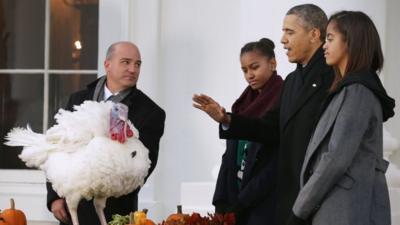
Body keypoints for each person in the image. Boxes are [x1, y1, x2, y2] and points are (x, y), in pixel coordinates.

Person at [193, 4, 334, 225]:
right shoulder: (293, 81)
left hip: (314, 196)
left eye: (290, 32)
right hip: (290, 199)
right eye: (283, 31)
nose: (282, 40)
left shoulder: (332, 77)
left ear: (314, 34)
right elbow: (269, 128)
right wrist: (226, 119)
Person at [291, 11, 395, 225]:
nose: (324, 46)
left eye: (330, 38)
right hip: (337, 207)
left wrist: (299, 210)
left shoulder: (358, 91)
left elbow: (336, 158)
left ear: (351, 42)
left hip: (345, 210)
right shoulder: (349, 89)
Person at [46, 41, 166, 225]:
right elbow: (57, 148)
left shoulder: (151, 112)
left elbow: (144, 167)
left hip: (116, 212)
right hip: (73, 210)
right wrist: (55, 196)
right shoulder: (78, 99)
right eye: (126, 62)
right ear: (107, 64)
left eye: (137, 64)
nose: (133, 69)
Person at [212, 38, 283, 225]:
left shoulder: (283, 99)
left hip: (265, 205)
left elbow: (275, 163)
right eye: (244, 70)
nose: (249, 75)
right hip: (237, 202)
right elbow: (228, 157)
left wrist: (241, 203)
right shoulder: (243, 104)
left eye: (254, 67)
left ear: (273, 64)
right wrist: (220, 202)